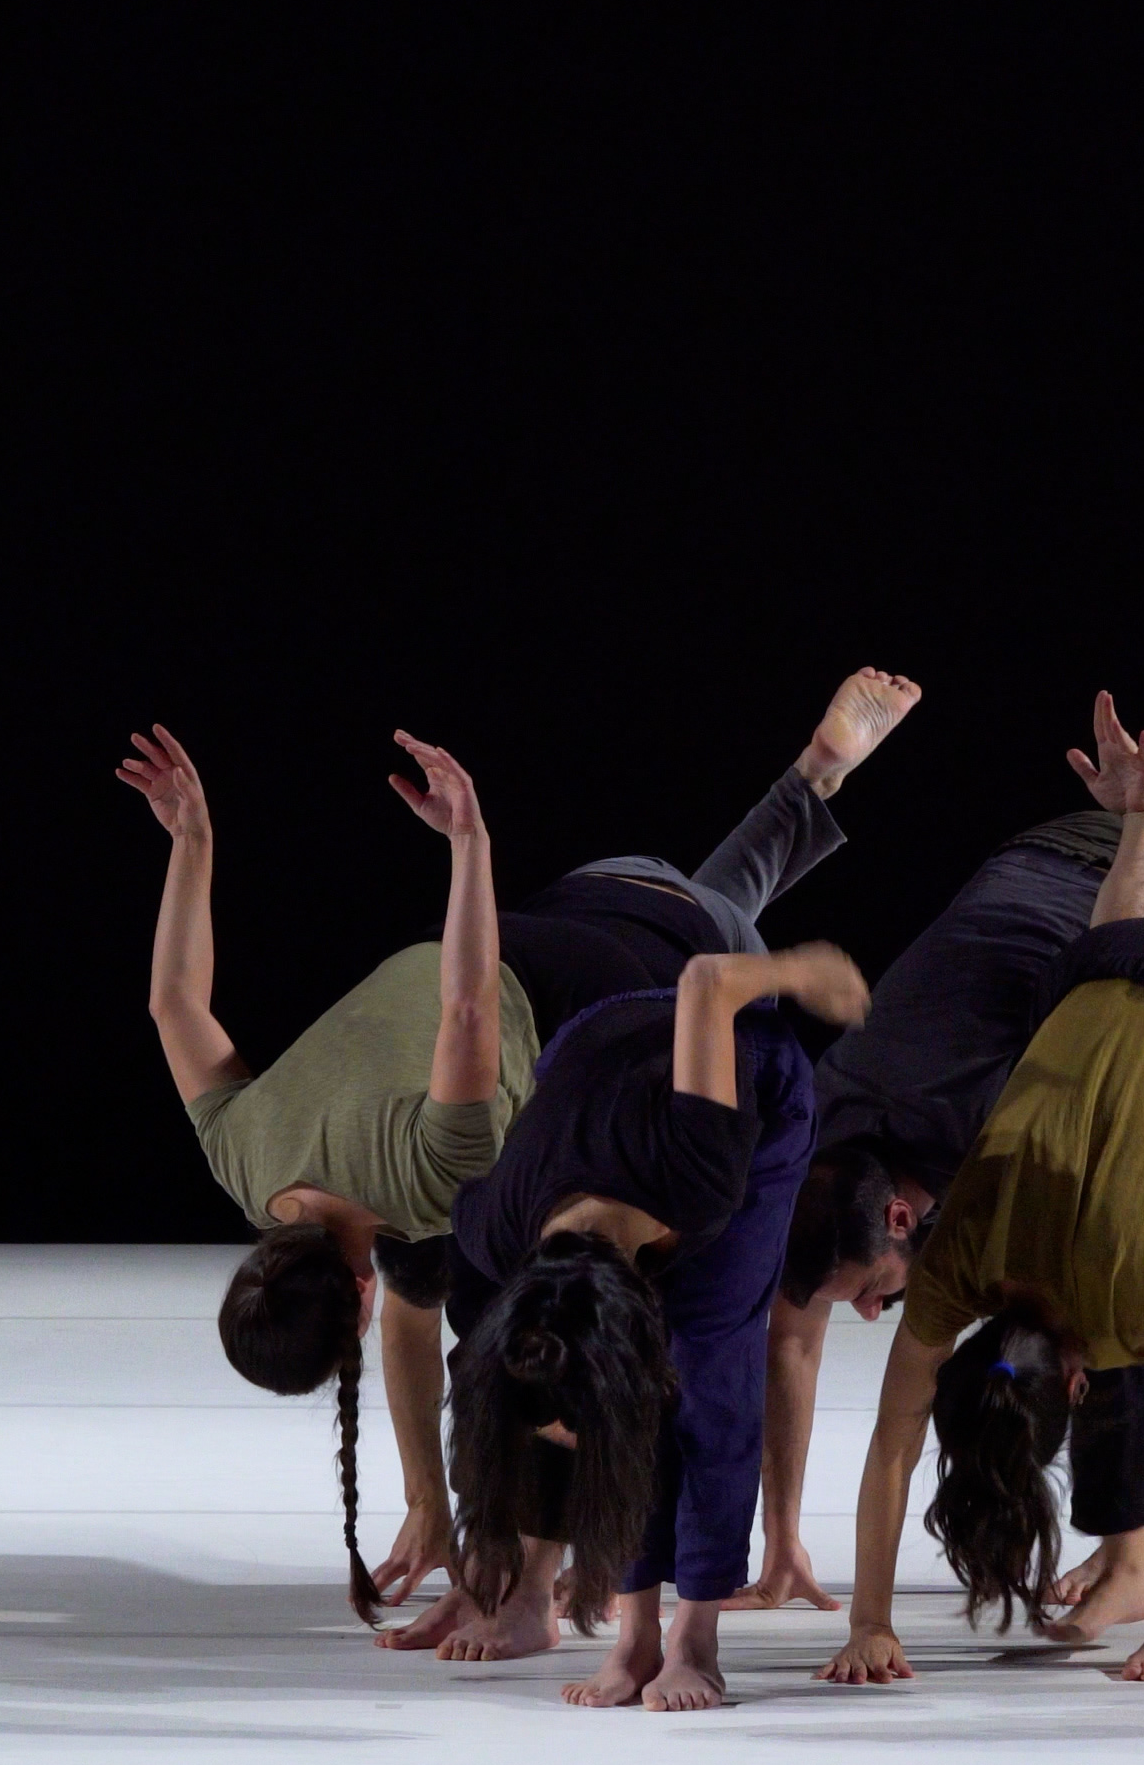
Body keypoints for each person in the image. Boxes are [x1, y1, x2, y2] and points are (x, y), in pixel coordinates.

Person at [118, 670, 920, 1627]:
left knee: (582, 1305)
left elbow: (470, 1021)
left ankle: (548, 1583)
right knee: (701, 911)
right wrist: (195, 841)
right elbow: (174, 1003)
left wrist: (473, 842)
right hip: (585, 897)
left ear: (359, 1295)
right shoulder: (240, 1153)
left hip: (640, 971)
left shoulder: (440, 1179)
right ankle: (812, 779)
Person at [737, 536, 1144, 1616]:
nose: (875, 1312)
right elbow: (794, 1325)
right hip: (1036, 862)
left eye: (870, 1291)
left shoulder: (979, 1137)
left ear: (900, 1214)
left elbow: (1116, 978)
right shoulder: (823, 1145)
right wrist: (782, 1540)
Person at [814, 712, 1144, 1687]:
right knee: (1095, 979)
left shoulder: (1140, 1287)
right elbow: (894, 1445)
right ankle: (1128, 1556)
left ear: (1082, 1387)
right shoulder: (955, 1258)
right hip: (1103, 967)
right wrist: (1142, 821)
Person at [425, 938, 870, 1710]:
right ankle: (634, 1640)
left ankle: (693, 1638)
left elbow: (707, 980)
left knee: (713, 1369)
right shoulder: (491, 1233)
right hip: (594, 1049)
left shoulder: (700, 1173)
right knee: (634, 1404)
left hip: (737, 1063)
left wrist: (805, 974)